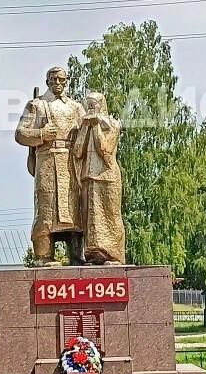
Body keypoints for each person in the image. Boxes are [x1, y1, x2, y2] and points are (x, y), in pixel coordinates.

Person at [15, 67, 86, 266]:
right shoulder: (36, 105)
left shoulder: (75, 107)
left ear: (66, 81)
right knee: (46, 209)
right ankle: (44, 255)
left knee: (74, 208)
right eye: (53, 79)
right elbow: (20, 134)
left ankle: (76, 254)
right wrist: (41, 134)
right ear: (47, 81)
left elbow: (87, 132)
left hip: (71, 162)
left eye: (61, 79)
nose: (57, 82)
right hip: (47, 161)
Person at [72, 91, 126, 265]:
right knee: (91, 219)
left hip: (107, 177)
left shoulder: (112, 124)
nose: (90, 107)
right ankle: (94, 255)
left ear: (101, 105)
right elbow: (77, 151)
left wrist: (95, 126)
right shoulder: (85, 126)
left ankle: (114, 255)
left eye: (93, 104)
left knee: (110, 216)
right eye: (88, 104)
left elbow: (105, 150)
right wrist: (85, 128)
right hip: (88, 177)